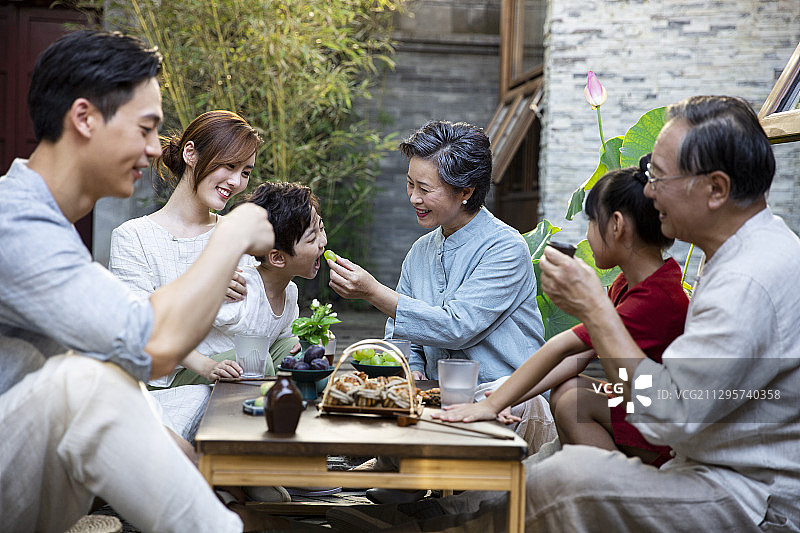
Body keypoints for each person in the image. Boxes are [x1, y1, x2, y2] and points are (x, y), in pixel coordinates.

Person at [331, 95, 800, 532]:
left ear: (716, 189)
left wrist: (594, 308)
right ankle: (445, 515)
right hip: (703, 462)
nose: (650, 194)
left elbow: (669, 416)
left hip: (750, 497)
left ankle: (440, 522)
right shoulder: (743, 255)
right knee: (555, 445)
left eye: (657, 176)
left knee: (565, 477)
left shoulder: (749, 278)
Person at [0, 30, 275, 532]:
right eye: (146, 128)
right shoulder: (12, 222)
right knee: (84, 382)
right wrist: (231, 235)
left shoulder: (45, 227)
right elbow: (154, 347)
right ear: (84, 118)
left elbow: (110, 354)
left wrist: (182, 462)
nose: (154, 150)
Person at [436, 165, 688, 467]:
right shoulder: (630, 283)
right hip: (640, 408)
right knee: (571, 389)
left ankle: (612, 488)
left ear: (617, 225)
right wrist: (505, 398)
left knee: (571, 401)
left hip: (659, 428)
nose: (588, 233)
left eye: (593, 222)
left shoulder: (653, 299)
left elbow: (562, 347)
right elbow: (576, 358)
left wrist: (491, 405)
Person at [328, 120, 546, 386]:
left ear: (465, 191)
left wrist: (373, 291)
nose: (413, 198)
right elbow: (400, 334)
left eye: (425, 189)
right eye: (410, 184)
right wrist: (414, 366)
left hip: (507, 398)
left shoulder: (505, 248)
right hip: (435, 395)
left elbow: (457, 327)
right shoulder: (420, 251)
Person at [109, 109, 266, 393]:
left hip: (236, 371)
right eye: (229, 166)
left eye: (245, 172)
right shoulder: (133, 237)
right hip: (170, 378)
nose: (236, 182)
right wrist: (206, 365)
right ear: (190, 153)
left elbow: (253, 318)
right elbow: (142, 328)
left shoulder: (234, 231)